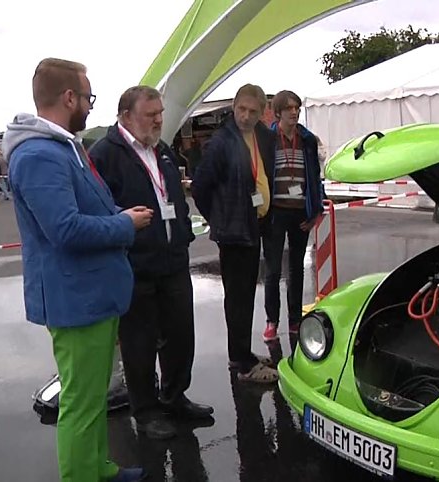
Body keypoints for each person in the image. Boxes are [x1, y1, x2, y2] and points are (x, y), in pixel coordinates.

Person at [3, 57, 151, 482]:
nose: (89, 105)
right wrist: (124, 224)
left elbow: (77, 212)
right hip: (76, 300)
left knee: (92, 399)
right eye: (88, 96)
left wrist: (117, 214)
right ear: (69, 97)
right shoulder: (39, 155)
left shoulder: (60, 146)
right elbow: (64, 230)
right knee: (82, 404)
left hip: (90, 296)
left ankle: (98, 469)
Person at [89, 85, 213, 440]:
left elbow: (171, 195)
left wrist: (184, 236)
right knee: (139, 345)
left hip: (173, 261)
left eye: (160, 112)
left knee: (180, 336)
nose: (159, 119)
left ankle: (175, 398)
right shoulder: (105, 154)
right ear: (126, 116)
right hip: (135, 267)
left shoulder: (161, 150)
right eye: (151, 114)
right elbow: (99, 209)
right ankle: (145, 412)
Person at [192, 84, 279, 383]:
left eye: (252, 111)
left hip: (256, 227)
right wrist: (219, 218)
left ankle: (240, 353)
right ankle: (243, 364)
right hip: (233, 232)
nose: (245, 115)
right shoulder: (221, 142)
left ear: (262, 111)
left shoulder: (264, 137)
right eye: (241, 109)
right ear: (234, 107)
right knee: (238, 298)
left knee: (245, 294)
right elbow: (201, 186)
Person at [262, 90, 325, 341]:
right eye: (288, 108)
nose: (294, 112)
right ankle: (271, 321)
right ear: (278, 112)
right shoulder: (268, 139)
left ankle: (295, 320)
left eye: (297, 107)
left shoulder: (307, 139)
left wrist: (316, 210)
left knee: (296, 269)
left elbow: (315, 176)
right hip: (276, 212)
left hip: (300, 211)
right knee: (273, 270)